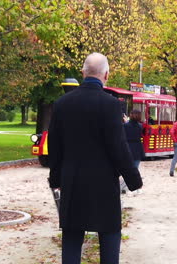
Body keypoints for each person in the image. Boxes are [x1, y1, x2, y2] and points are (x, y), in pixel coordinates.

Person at [48, 52, 143, 264]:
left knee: (72, 237)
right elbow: (118, 148)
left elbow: (54, 147)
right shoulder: (110, 105)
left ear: (82, 73)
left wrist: (56, 179)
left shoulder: (62, 104)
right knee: (109, 234)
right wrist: (133, 180)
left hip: (72, 182)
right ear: (106, 75)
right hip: (103, 184)